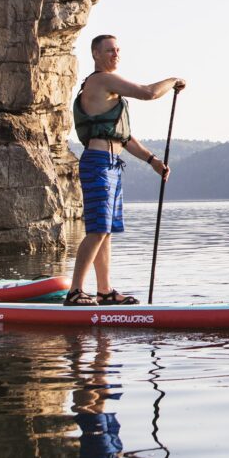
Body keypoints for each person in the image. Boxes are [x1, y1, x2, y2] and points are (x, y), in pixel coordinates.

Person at [68, 34, 182, 306]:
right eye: (109, 50)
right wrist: (174, 81)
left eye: (117, 50)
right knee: (97, 229)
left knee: (105, 231)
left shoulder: (110, 90)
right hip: (97, 162)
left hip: (112, 165)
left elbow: (124, 137)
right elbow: (148, 92)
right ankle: (74, 292)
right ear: (96, 54)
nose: (115, 54)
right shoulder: (101, 80)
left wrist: (152, 160)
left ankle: (104, 292)